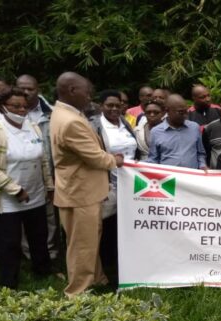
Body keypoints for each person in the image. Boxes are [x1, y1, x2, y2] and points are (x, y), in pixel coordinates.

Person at [50, 72, 124, 297]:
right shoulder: (71, 120)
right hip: (79, 193)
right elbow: (95, 158)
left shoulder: (64, 113)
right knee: (82, 246)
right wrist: (116, 160)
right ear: (72, 90)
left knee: (90, 241)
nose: (90, 97)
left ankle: (98, 279)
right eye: (87, 92)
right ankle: (77, 291)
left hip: (83, 191)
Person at [0, 86, 53, 288]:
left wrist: (49, 186)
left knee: (39, 236)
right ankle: (9, 283)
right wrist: (15, 190)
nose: (21, 110)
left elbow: (44, 159)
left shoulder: (32, 126)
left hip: (36, 194)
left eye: (24, 106)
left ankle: (43, 272)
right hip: (8, 199)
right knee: (9, 243)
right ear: (3, 107)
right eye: (16, 106)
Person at [90, 90, 139, 281]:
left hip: (130, 183)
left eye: (117, 105)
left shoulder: (124, 123)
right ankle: (106, 267)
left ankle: (122, 263)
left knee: (124, 225)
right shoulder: (95, 125)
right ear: (101, 106)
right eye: (109, 105)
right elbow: (94, 154)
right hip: (108, 183)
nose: (113, 109)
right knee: (106, 224)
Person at [16, 74, 60, 260]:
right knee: (22, 214)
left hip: (47, 171)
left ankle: (50, 252)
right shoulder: (7, 111)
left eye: (30, 89)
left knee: (49, 216)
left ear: (38, 89)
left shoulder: (51, 113)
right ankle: (27, 254)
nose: (26, 92)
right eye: (22, 88)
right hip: (17, 172)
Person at [148, 94, 207, 169]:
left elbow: (200, 153)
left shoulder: (194, 127)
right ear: (167, 111)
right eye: (181, 112)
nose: (185, 115)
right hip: (168, 179)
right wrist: (137, 166)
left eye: (186, 111)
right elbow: (153, 159)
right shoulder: (156, 132)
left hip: (191, 178)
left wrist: (202, 165)